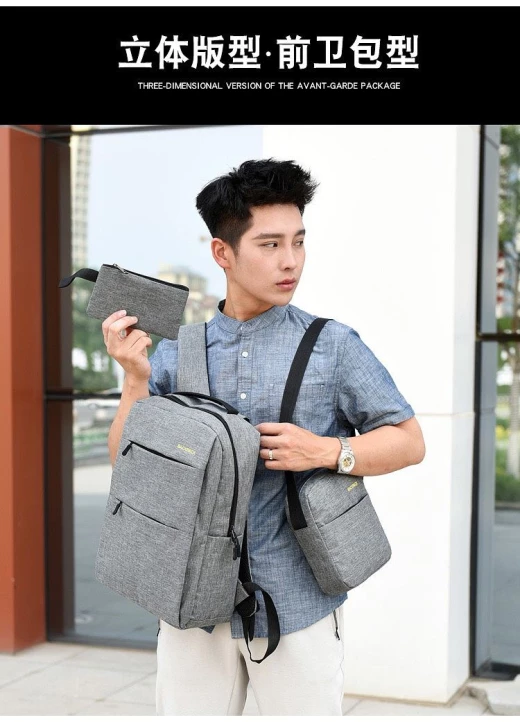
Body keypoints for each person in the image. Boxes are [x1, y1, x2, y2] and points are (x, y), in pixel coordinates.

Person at [103, 158, 426, 716]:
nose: (290, 261)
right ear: (222, 253)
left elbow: (409, 440)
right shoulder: (179, 349)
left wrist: (326, 450)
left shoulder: (332, 345)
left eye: (298, 242)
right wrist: (135, 379)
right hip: (191, 601)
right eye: (270, 244)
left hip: (298, 600)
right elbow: (123, 462)